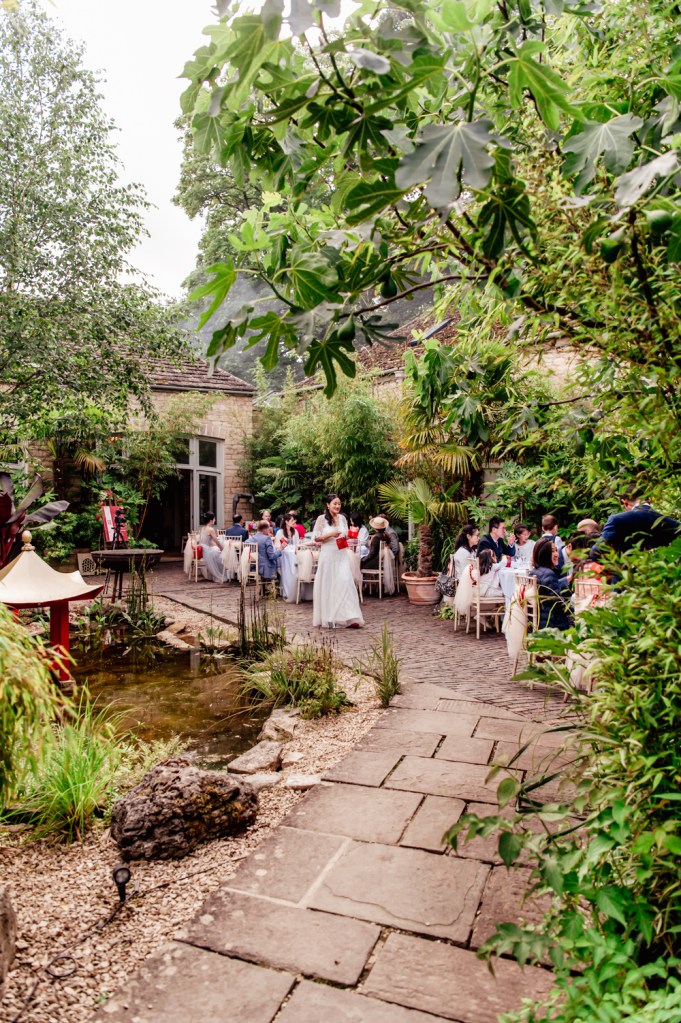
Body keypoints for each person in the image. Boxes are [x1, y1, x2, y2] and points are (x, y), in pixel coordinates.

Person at [312, 494, 364, 628]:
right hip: (327, 555)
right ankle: (330, 616)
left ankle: (350, 617)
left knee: (345, 582)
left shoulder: (342, 518)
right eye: (334, 503)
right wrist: (331, 534)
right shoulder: (321, 519)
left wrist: (348, 537)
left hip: (341, 555)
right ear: (328, 505)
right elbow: (316, 538)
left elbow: (342, 537)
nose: (337, 506)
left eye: (339, 504)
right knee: (330, 585)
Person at [591, 486, 680, 557]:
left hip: (627, 575)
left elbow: (596, 552)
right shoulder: (672, 523)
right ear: (649, 501)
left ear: (624, 502)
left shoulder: (616, 520)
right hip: (661, 574)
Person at [531, 537, 573, 631]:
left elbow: (549, 590)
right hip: (552, 623)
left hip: (540, 619)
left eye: (556, 550)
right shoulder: (548, 574)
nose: (557, 554)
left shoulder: (534, 572)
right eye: (553, 551)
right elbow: (558, 603)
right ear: (544, 555)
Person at [197, 510, 225, 583]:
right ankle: (222, 574)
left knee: (216, 551)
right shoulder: (211, 529)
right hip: (206, 551)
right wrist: (222, 549)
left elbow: (206, 541)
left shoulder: (203, 528)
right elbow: (216, 541)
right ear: (211, 520)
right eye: (214, 518)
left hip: (203, 549)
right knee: (220, 555)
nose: (215, 520)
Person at [254, 519, 282, 586]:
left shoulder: (250, 539)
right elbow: (272, 556)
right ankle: (274, 591)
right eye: (268, 528)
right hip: (265, 568)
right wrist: (280, 549)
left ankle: (264, 590)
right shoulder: (267, 539)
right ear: (264, 529)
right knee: (280, 569)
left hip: (254, 567)